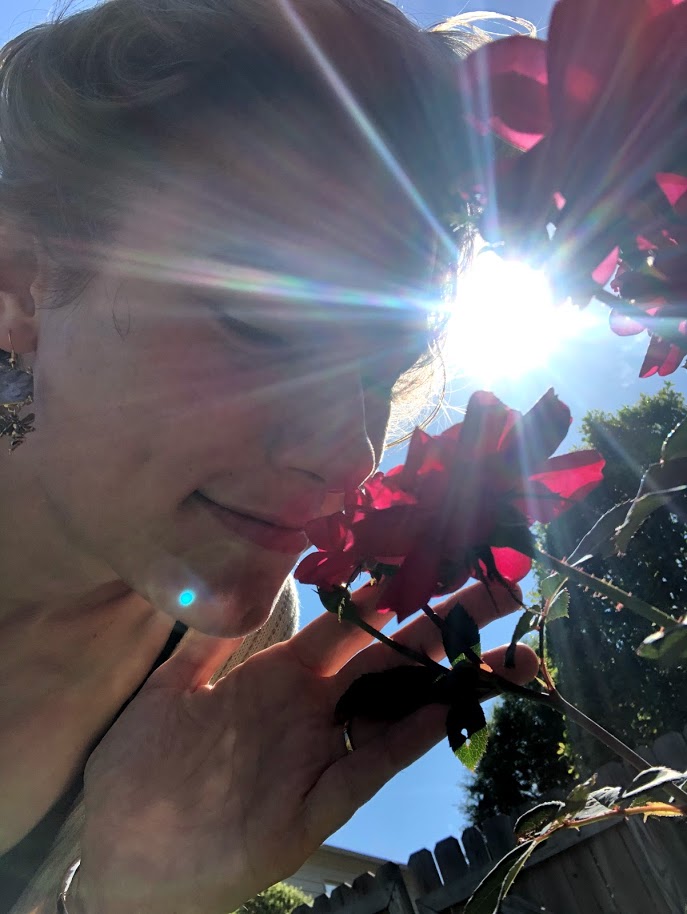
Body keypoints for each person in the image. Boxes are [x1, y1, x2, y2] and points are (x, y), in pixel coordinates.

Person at [0, 1, 539, 911]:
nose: (349, 455)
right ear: (22, 285)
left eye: (386, 368)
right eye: (259, 321)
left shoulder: (241, 661)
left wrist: (128, 900)